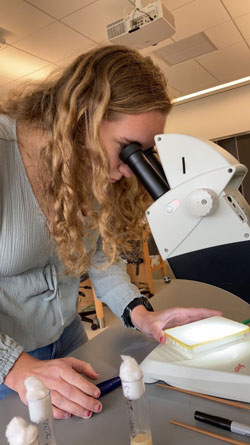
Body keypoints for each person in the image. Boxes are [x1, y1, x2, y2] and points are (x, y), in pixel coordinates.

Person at [0, 44, 220, 420]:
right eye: (127, 148)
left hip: (67, 338)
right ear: (83, 115)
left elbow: (100, 258)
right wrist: (15, 367)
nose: (132, 169)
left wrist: (139, 313)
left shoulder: (86, 164)